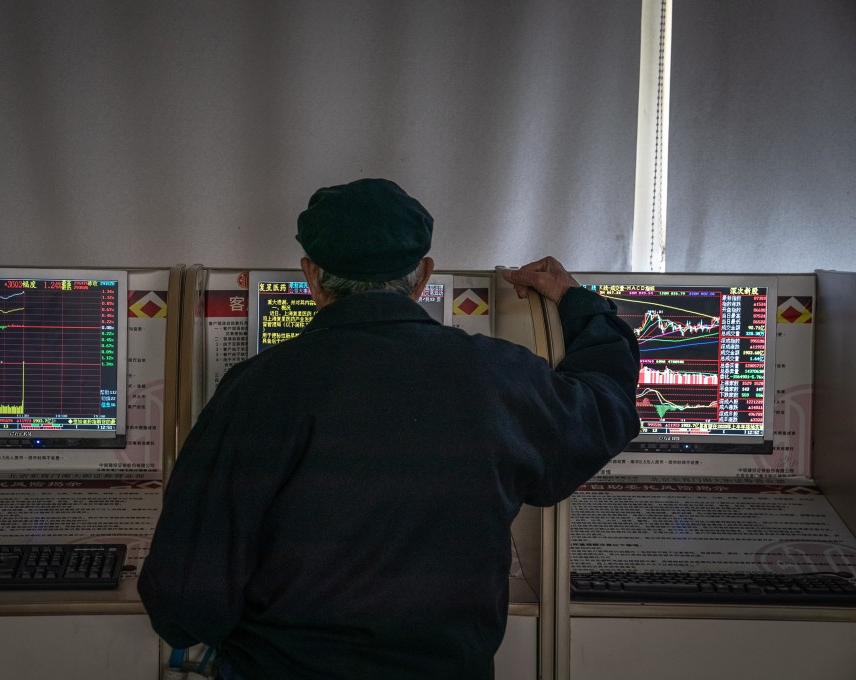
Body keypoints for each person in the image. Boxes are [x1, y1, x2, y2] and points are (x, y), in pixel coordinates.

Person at [138, 178, 640, 680]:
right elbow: (605, 407)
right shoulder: (497, 378)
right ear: (423, 276)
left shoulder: (253, 391)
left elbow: (183, 605)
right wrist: (577, 303)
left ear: (311, 276)